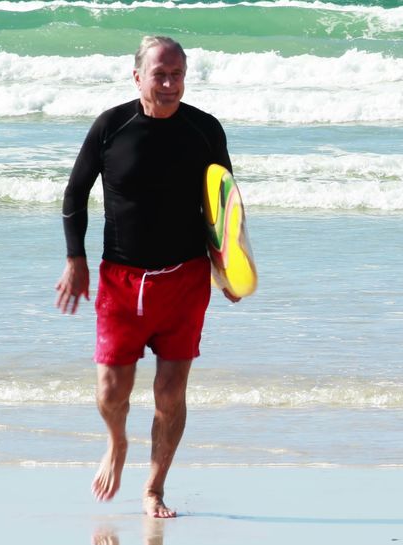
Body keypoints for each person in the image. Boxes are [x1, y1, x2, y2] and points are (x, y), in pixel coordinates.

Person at [55, 35, 238, 518]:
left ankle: (154, 488)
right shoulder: (112, 126)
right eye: (160, 74)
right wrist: (76, 260)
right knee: (110, 392)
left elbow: (224, 207)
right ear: (137, 76)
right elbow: (74, 194)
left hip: (185, 279)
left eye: (177, 73)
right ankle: (117, 442)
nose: (170, 83)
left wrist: (230, 269)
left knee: (170, 393)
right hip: (121, 280)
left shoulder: (204, 129)